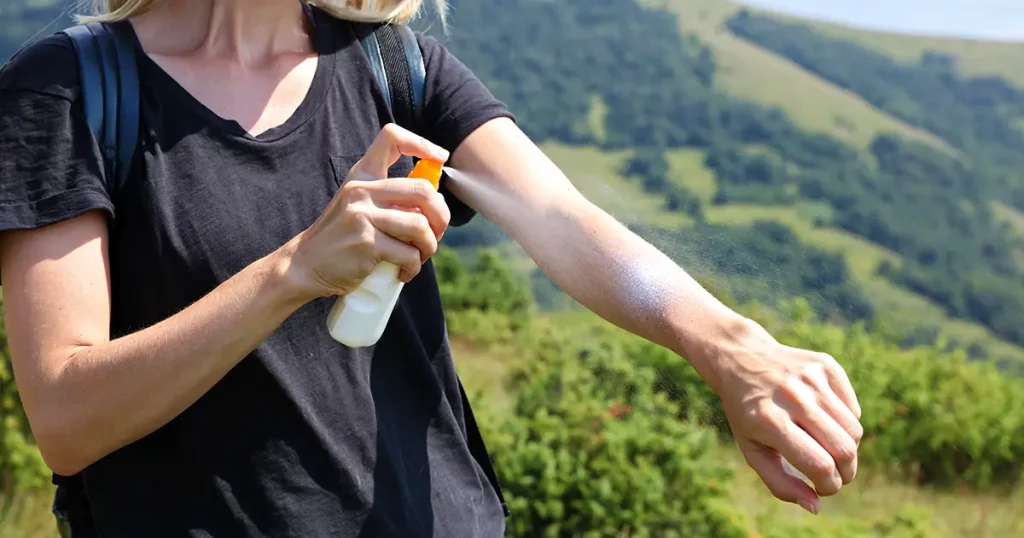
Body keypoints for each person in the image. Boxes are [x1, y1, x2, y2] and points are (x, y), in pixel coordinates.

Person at [0, 0, 863, 536]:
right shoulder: (70, 92)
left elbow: (562, 221)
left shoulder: (395, 66)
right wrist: (296, 268)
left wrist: (734, 349)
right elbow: (67, 415)